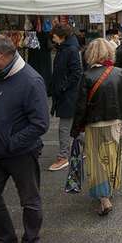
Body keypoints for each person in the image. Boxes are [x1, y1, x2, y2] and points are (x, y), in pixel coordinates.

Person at [0, 35, 49, 243]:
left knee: (29, 200)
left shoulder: (30, 80)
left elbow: (40, 123)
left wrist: (12, 142)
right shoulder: (2, 74)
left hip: (20, 153)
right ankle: (6, 241)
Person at [70, 39, 122, 216]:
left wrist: (75, 129)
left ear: (90, 54)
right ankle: (109, 189)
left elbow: (80, 106)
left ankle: (104, 198)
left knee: (97, 161)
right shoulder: (120, 73)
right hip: (116, 123)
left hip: (94, 124)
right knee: (113, 157)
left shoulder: (87, 75)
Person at [49, 24, 83, 171]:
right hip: (65, 93)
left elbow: (76, 72)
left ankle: (63, 157)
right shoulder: (64, 48)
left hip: (69, 94)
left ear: (62, 35)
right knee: (72, 126)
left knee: (64, 126)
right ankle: (92, 146)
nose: (52, 37)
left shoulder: (70, 50)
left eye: (54, 34)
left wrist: (62, 86)